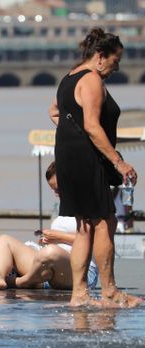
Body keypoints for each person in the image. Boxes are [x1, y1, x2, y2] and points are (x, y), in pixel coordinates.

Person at [48, 27, 142, 307]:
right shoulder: (90, 80)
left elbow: (54, 111)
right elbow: (91, 125)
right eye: (115, 60)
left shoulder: (69, 77)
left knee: (84, 227)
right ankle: (109, 291)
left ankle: (79, 294)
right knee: (104, 222)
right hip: (86, 160)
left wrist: (70, 135)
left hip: (69, 157)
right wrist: (119, 161)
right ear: (100, 56)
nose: (117, 66)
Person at [0, 162, 99, 290]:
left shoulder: (91, 204)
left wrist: (58, 237)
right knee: (3, 240)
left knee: (51, 252)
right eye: (53, 189)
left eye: (58, 189)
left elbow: (96, 241)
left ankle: (21, 281)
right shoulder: (64, 207)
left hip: (82, 271)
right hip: (49, 269)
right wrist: (47, 240)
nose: (56, 193)